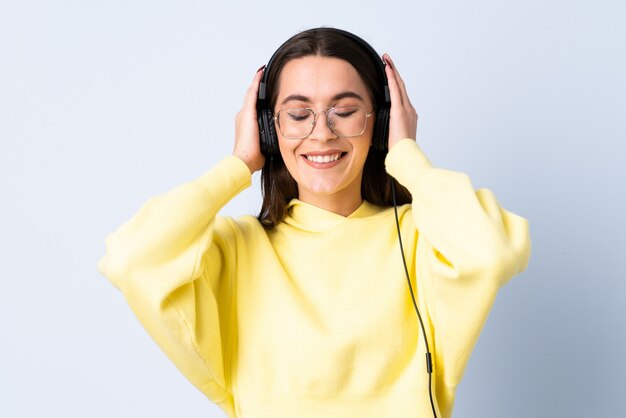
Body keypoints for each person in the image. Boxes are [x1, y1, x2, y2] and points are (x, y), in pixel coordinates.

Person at [97, 27, 531, 418]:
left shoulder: (424, 237)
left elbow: (491, 254)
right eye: (298, 114)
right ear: (269, 129)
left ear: (379, 123)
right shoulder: (237, 248)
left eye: (344, 111)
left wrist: (406, 156)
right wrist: (238, 164)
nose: (321, 134)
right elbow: (131, 259)